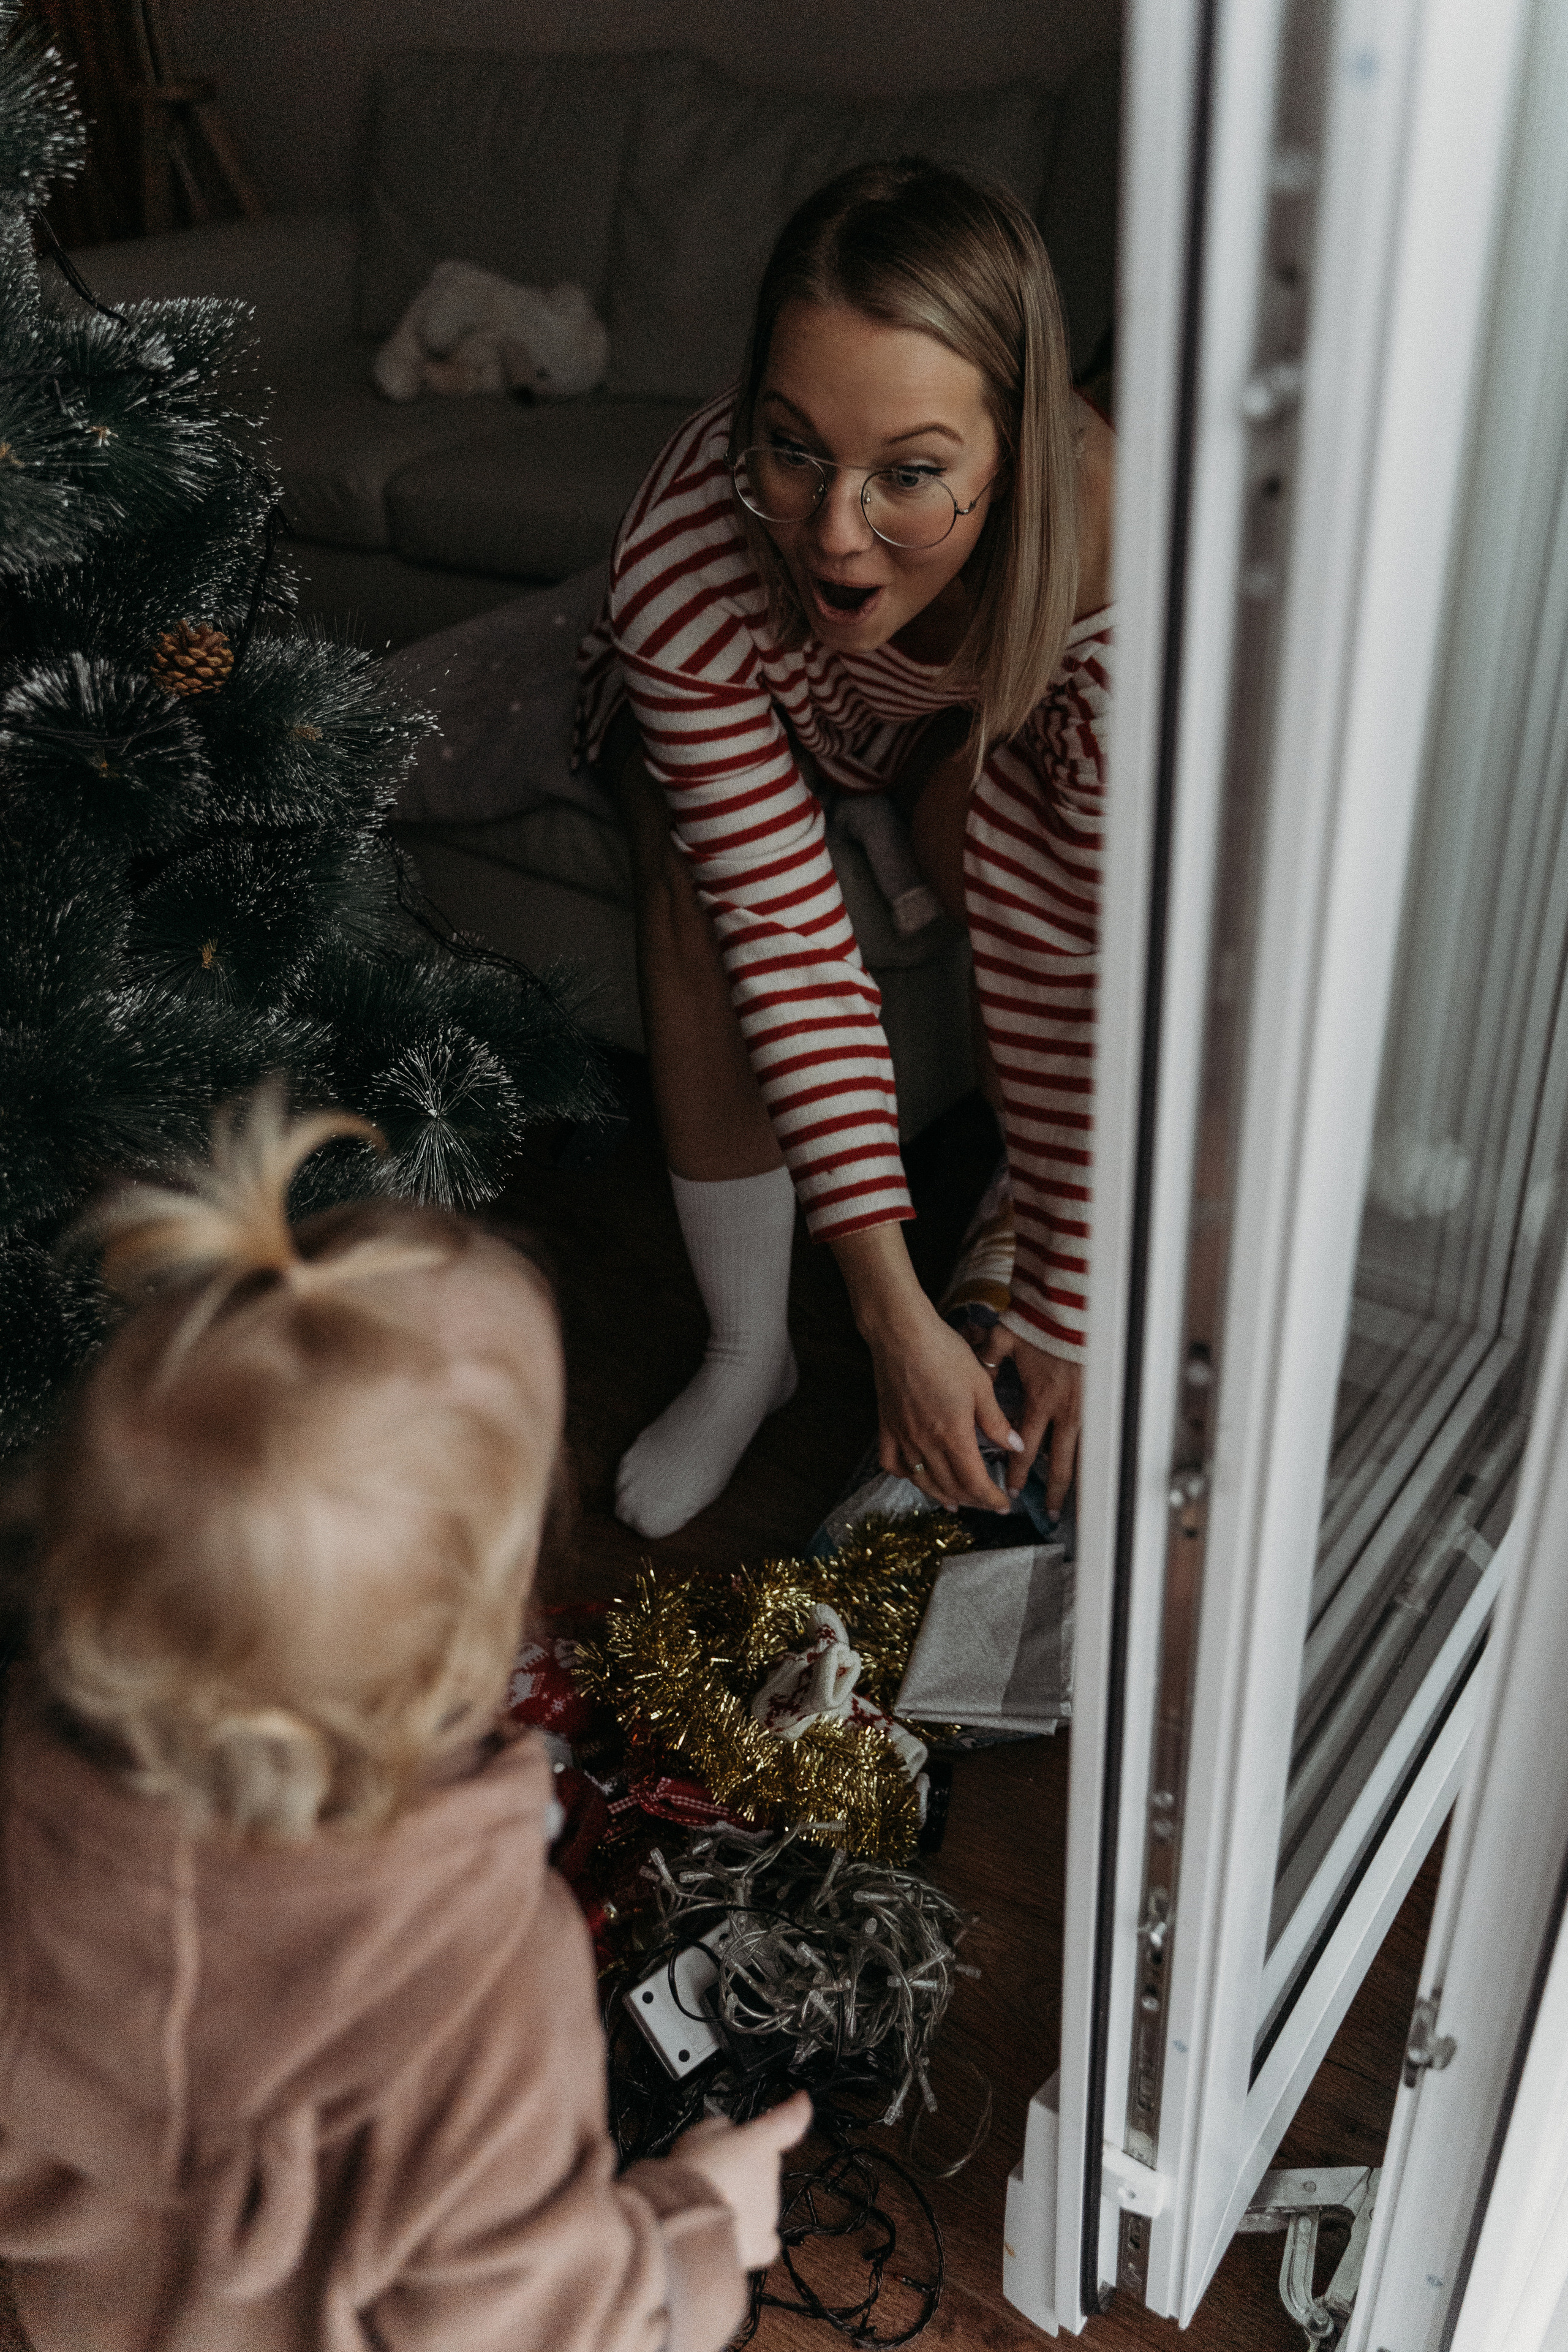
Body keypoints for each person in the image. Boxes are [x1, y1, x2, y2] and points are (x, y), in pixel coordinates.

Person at [0, 1087, 809, 2352]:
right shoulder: (477, 1980)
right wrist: (700, 2224)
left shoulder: (25, 1849)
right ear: (484, 1643)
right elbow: (538, 2328)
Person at [577, 157, 1115, 1540]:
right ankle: (747, 1351)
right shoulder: (691, 553)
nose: (832, 535)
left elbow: (1085, 943)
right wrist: (883, 1313)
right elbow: (790, 945)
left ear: (1017, 456)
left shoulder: (1115, 566)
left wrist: (1064, 1295)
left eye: (912, 474)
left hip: (940, 725)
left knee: (1002, 825)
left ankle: (1012, 1228)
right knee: (697, 872)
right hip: (770, 715)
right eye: (791, 446)